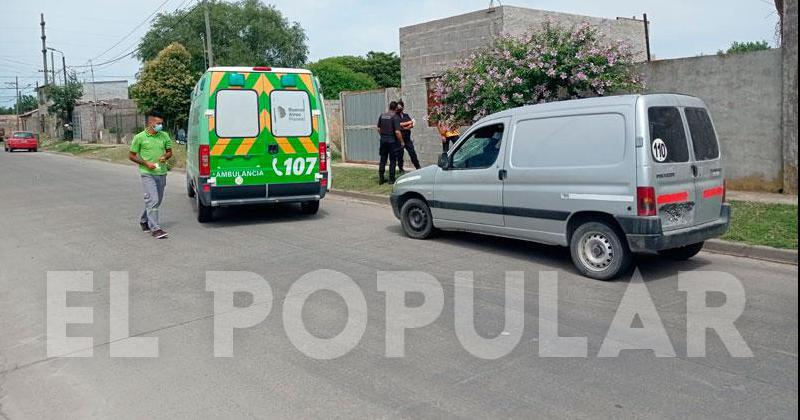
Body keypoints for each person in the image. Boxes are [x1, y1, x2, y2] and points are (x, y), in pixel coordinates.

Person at [129, 111, 173, 239]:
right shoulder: (140, 137)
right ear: (150, 123)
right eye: (158, 123)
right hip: (147, 173)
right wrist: (145, 163)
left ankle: (144, 220)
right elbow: (131, 156)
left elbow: (170, 152)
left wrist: (165, 156)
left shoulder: (164, 136)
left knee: (156, 201)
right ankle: (156, 229)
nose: (160, 126)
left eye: (161, 123)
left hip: (161, 172)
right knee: (153, 200)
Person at [376, 101, 404, 184]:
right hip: (392, 141)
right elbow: (397, 132)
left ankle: (381, 178)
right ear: (396, 108)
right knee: (392, 160)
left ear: (389, 107)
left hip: (383, 140)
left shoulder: (382, 115)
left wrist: (382, 135)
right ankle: (391, 179)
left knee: (383, 159)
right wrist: (402, 141)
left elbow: (378, 128)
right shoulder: (395, 117)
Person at [395, 100, 421, 172]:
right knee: (400, 154)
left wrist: (407, 127)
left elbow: (412, 124)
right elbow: (399, 125)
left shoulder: (406, 115)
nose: (398, 108)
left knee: (412, 152)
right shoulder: (395, 116)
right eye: (397, 107)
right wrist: (408, 123)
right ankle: (400, 168)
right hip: (399, 139)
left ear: (403, 107)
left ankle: (418, 167)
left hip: (407, 139)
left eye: (400, 107)